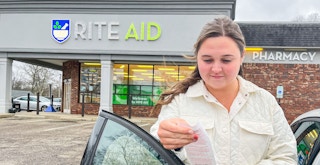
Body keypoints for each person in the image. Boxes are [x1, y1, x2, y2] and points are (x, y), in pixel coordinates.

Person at [150, 16, 297, 164]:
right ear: (197, 58)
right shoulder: (179, 102)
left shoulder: (266, 103)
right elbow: (154, 153)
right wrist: (172, 143)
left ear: (241, 57)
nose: (216, 69)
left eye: (226, 60)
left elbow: (286, 158)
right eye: (207, 60)